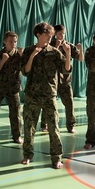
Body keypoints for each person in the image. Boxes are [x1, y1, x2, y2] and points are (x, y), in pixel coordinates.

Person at [20, 22, 71, 169]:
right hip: (32, 95)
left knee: (54, 127)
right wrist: (33, 56)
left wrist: (67, 53)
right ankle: (27, 155)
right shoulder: (29, 50)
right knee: (29, 127)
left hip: (49, 95)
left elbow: (66, 70)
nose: (50, 37)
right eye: (47, 34)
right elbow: (25, 71)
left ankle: (57, 158)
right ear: (38, 35)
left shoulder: (54, 52)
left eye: (51, 35)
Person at [40, 24, 83, 133]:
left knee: (69, 103)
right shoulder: (50, 45)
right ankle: (44, 124)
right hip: (52, 81)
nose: (61, 36)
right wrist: (57, 47)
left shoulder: (68, 46)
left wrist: (80, 49)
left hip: (65, 80)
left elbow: (80, 59)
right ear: (55, 35)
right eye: (59, 34)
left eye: (63, 34)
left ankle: (71, 125)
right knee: (48, 103)